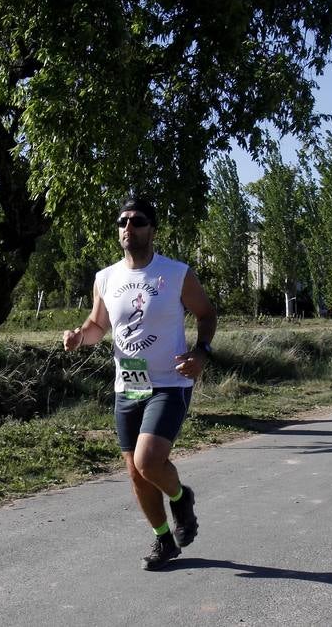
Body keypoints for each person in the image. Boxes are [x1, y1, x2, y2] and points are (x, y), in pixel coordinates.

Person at [63, 197, 217, 570]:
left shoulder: (176, 273)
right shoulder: (106, 278)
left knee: (149, 461)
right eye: (122, 221)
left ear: (153, 229)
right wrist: (78, 337)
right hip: (129, 382)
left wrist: (202, 353)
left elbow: (206, 313)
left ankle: (181, 498)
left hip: (169, 382)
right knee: (135, 471)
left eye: (138, 221)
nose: (128, 228)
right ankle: (164, 541)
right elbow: (98, 326)